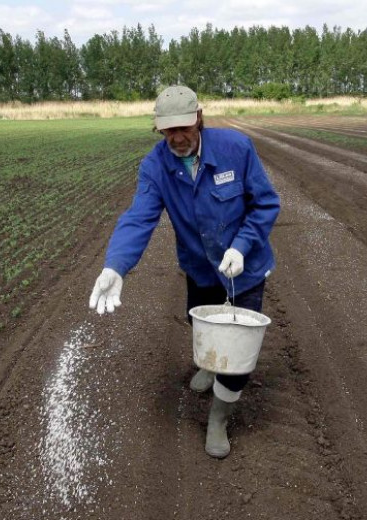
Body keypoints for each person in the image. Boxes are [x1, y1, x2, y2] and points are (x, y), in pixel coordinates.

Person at [88, 85, 280, 459]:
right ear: (159, 129)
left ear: (199, 120)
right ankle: (209, 367)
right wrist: (116, 265)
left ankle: (219, 417)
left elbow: (265, 204)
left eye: (184, 128)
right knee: (202, 325)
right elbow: (138, 218)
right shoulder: (155, 166)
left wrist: (241, 247)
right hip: (199, 266)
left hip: (246, 267)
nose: (177, 137)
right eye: (168, 130)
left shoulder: (235, 149)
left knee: (238, 351)